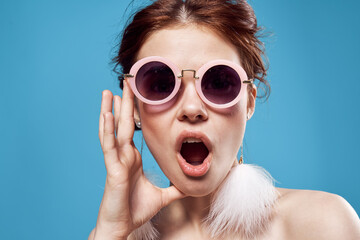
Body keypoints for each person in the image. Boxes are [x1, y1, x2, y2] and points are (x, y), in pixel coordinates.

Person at [89, 0, 360, 239]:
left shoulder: (323, 224)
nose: (192, 108)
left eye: (219, 82)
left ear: (249, 102)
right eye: (161, 85)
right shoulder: (114, 234)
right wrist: (111, 232)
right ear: (133, 106)